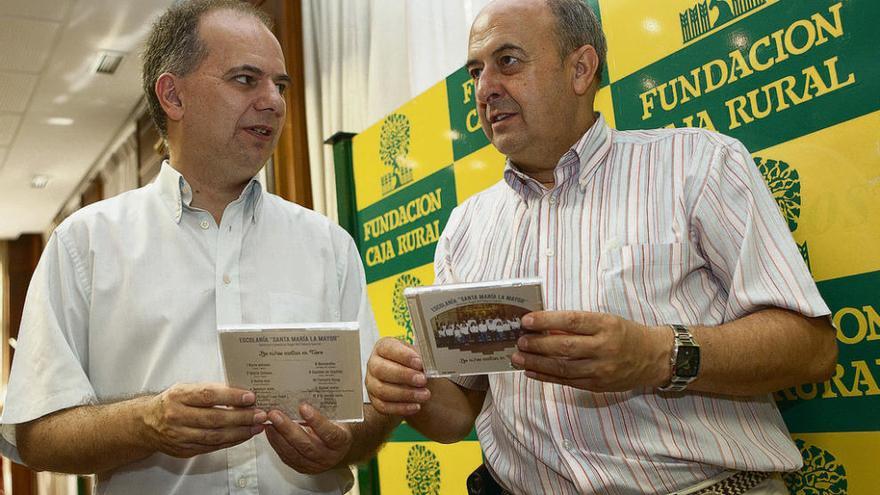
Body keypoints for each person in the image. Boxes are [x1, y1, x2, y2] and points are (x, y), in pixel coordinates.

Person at [365, 0, 838, 494]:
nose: (485, 89)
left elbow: (810, 348)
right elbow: (458, 413)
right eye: (476, 72)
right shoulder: (466, 226)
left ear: (580, 69)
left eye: (508, 61)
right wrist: (408, 390)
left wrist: (657, 354)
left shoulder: (698, 165)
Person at [0, 1, 397, 493]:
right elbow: (37, 435)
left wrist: (346, 443)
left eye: (281, 85)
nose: (273, 101)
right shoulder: (85, 245)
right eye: (246, 80)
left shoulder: (329, 246)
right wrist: (148, 422)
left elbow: (368, 414)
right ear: (173, 95)